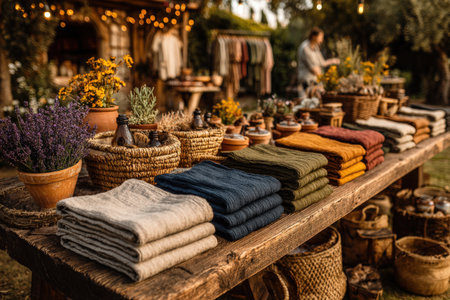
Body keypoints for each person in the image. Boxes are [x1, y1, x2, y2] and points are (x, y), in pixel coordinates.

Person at [297, 27, 340, 97]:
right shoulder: (305, 48)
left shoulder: (315, 47)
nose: (322, 39)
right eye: (320, 37)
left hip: (315, 80)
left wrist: (334, 61)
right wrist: (327, 80)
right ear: (314, 36)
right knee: (307, 103)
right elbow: (314, 69)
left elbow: (322, 63)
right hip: (306, 81)